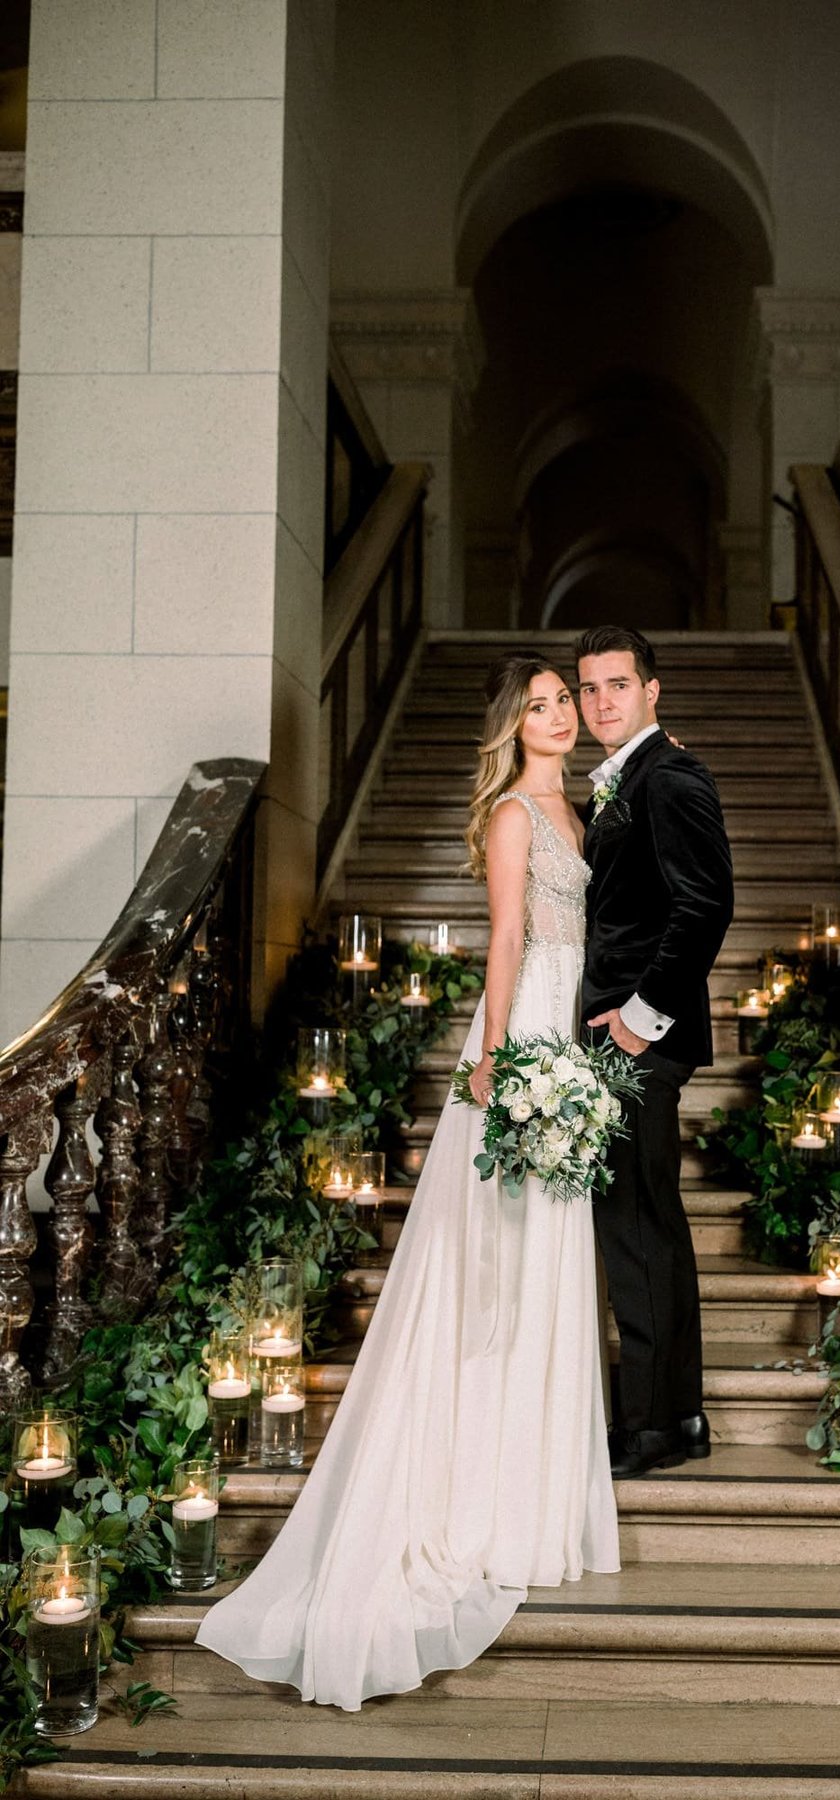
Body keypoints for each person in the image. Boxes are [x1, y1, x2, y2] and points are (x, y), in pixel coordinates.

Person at [195, 654, 619, 1710]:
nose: (559, 716)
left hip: (573, 1038)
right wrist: (498, 1062)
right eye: (538, 706)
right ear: (512, 726)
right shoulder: (519, 815)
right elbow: (509, 935)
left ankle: (535, 1491)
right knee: (500, 1266)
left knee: (551, 1260)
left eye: (565, 700)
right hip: (526, 1041)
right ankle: (479, 1499)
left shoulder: (586, 808)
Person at [576, 626, 735, 1479]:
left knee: (635, 1230)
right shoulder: (626, 779)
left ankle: (648, 1428)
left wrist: (641, 1016)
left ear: (651, 690)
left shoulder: (668, 775)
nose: (602, 702)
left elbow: (705, 905)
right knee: (651, 1227)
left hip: (640, 1037)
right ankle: (678, 1415)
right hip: (624, 1036)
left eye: (617, 685)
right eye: (589, 688)